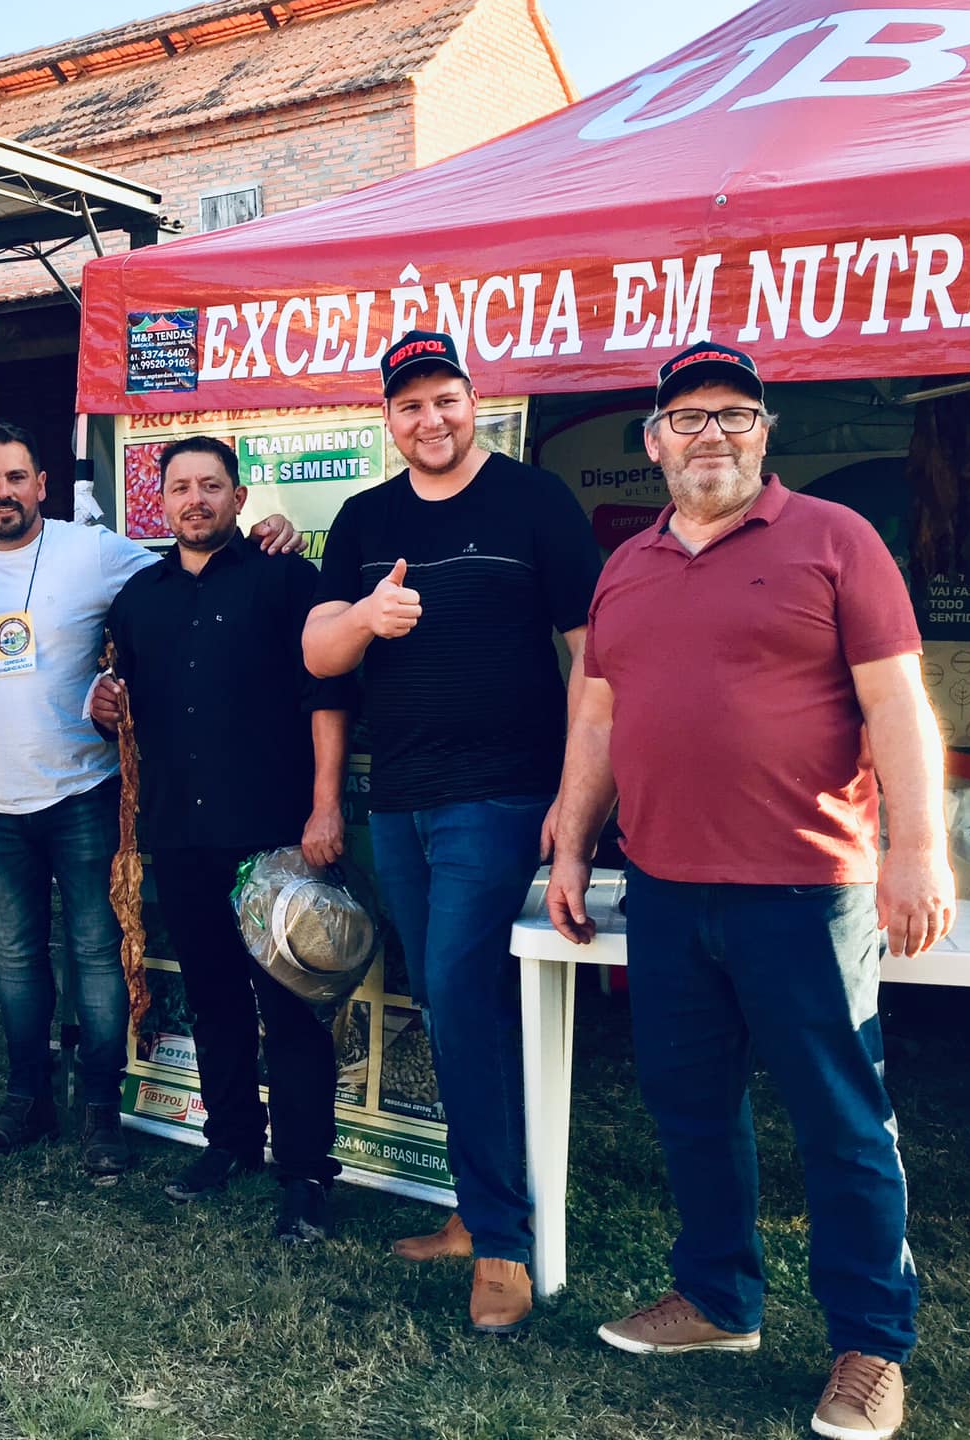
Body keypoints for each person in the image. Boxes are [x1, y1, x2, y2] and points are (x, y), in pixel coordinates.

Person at [547, 342, 951, 1440]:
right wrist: (572, 842)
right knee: (689, 1110)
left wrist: (916, 849)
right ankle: (718, 1298)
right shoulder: (625, 564)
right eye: (685, 418)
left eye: (731, 415)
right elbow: (597, 717)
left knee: (841, 1124)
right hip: (668, 889)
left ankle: (869, 1345)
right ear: (652, 440)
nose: (708, 435)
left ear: (761, 432)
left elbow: (896, 704)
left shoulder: (833, 539)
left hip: (805, 890)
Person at [302, 329, 599, 1334]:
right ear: (385, 419)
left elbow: (591, 657)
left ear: (473, 401)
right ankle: (480, 1209)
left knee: (462, 997)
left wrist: (575, 794)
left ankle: (503, 1248)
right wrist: (366, 618)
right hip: (400, 802)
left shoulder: (531, 503)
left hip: (501, 796)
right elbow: (316, 649)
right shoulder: (362, 518)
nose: (429, 419)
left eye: (444, 399)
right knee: (440, 994)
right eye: (408, 404)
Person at [0, 423, 306, 1175]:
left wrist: (277, 529)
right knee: (22, 961)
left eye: (18, 477)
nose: (4, 491)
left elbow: (315, 683)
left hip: (96, 795)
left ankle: (110, 1115)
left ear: (42, 484)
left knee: (106, 958)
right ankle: (34, 1100)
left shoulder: (103, 553)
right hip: (16, 802)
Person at [94, 435, 350, 1244]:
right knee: (212, 999)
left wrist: (324, 808)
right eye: (180, 488)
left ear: (239, 499)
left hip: (273, 833)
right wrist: (106, 709)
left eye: (211, 486)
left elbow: (325, 694)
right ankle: (230, 1141)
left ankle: (305, 1173)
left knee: (292, 1006)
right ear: (160, 503)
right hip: (181, 832)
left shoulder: (286, 580)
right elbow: (125, 705)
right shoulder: (137, 600)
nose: (195, 500)